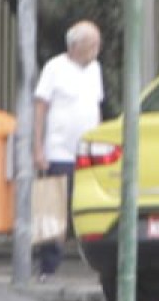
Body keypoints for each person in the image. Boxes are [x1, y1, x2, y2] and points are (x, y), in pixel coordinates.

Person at [32, 20, 105, 280]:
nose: (97, 49)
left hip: (86, 152)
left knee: (87, 207)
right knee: (52, 209)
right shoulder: (55, 68)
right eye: (92, 44)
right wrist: (38, 147)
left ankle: (93, 262)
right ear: (75, 45)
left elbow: (96, 106)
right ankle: (47, 266)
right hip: (58, 150)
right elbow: (40, 107)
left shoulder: (95, 69)